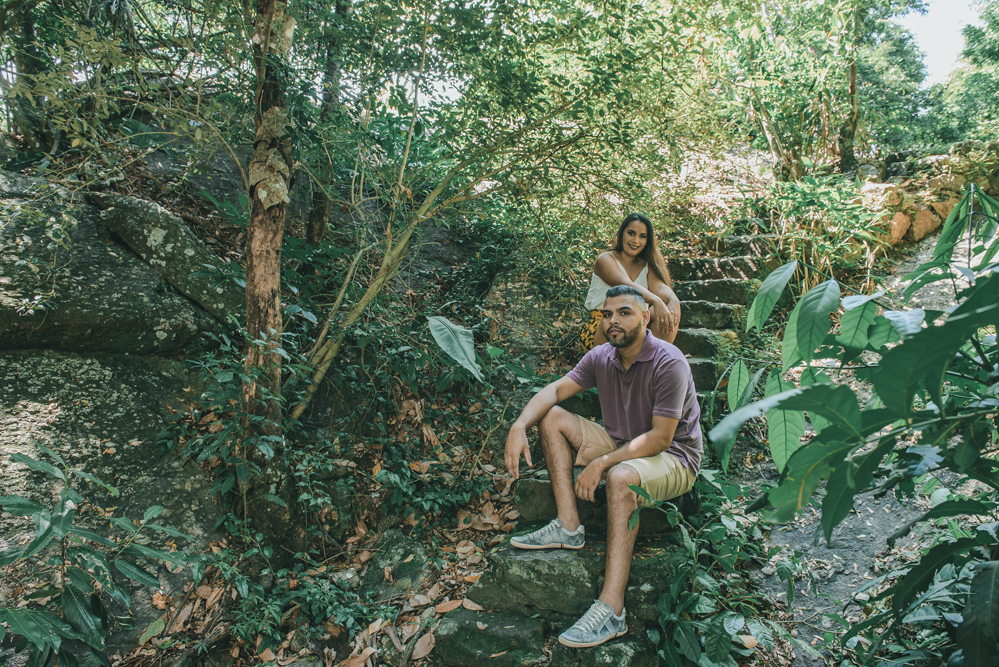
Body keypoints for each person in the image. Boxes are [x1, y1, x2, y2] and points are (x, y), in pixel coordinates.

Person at [505, 285, 701, 648]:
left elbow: (659, 438)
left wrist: (604, 463)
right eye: (607, 314)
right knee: (552, 418)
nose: (613, 321)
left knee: (621, 477)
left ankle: (612, 609)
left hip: (674, 457)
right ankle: (567, 525)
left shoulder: (669, 361)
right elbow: (555, 391)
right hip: (623, 442)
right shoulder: (601, 357)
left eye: (624, 312)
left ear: (645, 317)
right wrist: (519, 425)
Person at [580, 213, 681, 351]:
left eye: (642, 236)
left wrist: (674, 300)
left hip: (636, 324)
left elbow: (660, 287)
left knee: (666, 311)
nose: (636, 241)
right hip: (602, 324)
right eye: (631, 233)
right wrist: (656, 301)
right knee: (632, 314)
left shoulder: (647, 266)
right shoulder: (605, 259)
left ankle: (650, 365)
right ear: (622, 234)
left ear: (647, 241)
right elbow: (626, 285)